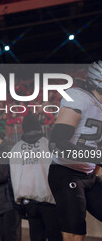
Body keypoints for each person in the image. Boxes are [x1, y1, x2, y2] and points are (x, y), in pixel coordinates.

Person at [48, 61, 102, 241]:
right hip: (66, 173)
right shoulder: (80, 98)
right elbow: (58, 142)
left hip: (88, 175)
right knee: (75, 233)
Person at [10, 114, 62, 241]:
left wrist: (17, 205)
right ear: (39, 127)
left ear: (23, 128)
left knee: (36, 237)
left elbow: (11, 179)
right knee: (55, 237)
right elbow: (60, 175)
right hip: (50, 203)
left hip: (29, 204)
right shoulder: (49, 146)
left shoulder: (15, 149)